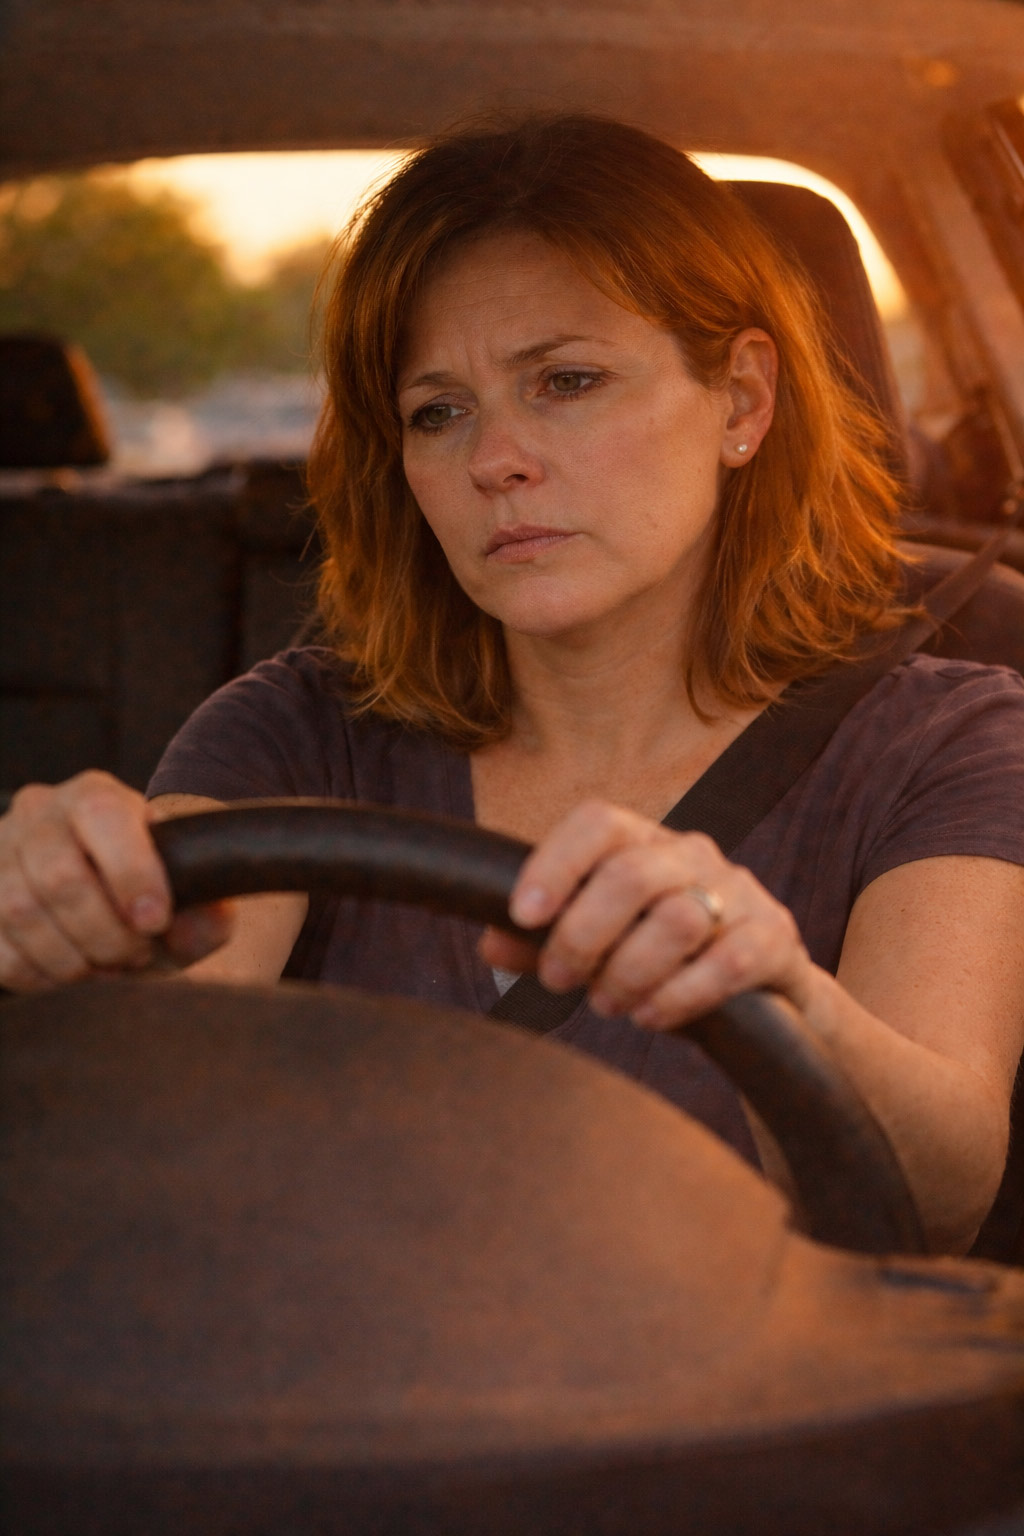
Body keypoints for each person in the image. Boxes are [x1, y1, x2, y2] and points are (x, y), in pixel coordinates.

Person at [2, 114, 1023, 1255]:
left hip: (748, 1411)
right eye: (438, 412)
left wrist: (775, 994)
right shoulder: (297, 727)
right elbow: (149, 1061)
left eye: (566, 381)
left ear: (741, 401)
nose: (495, 459)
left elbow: (940, 1194)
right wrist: (67, 936)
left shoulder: (949, 738)